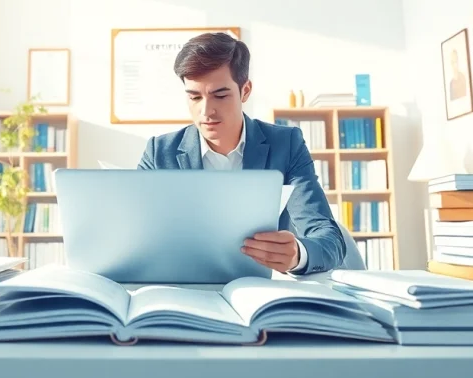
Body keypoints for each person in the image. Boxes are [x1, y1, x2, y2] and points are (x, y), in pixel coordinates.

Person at [136, 32, 346, 274]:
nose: (206, 111)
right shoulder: (160, 152)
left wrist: (298, 254)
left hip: (260, 291)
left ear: (245, 91)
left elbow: (329, 239)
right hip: (183, 288)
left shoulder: (286, 144)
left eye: (221, 95)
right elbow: (137, 235)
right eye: (194, 97)